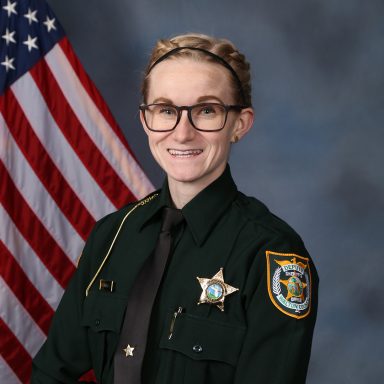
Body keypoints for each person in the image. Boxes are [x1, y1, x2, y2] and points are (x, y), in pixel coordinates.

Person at [32, 33, 318, 384]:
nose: (182, 133)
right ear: (145, 120)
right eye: (166, 110)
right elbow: (51, 372)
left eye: (207, 110)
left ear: (239, 124)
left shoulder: (272, 255)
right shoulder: (112, 235)